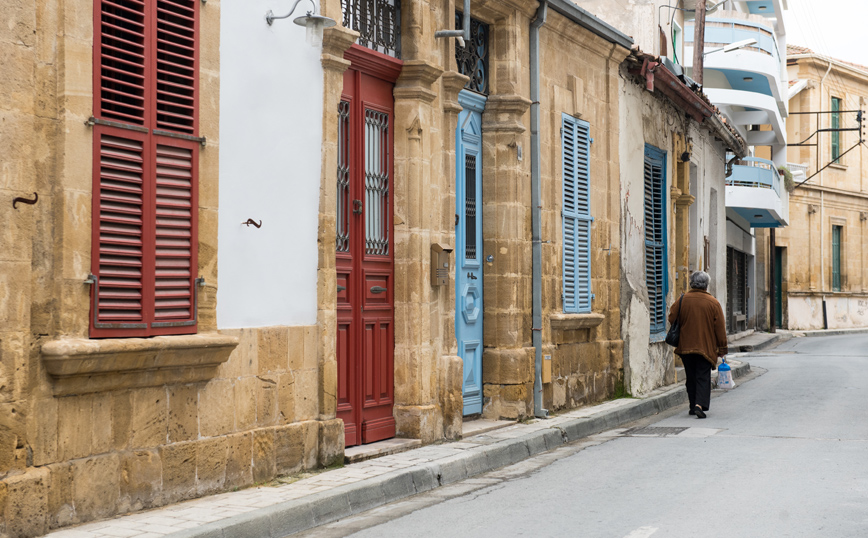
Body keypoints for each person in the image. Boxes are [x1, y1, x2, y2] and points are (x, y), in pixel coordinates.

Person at [668, 271, 728, 419]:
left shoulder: (682, 300)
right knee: (702, 376)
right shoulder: (713, 303)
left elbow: (671, 318)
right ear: (706, 285)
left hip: (686, 346)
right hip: (705, 348)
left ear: (691, 283)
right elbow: (720, 328)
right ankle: (699, 405)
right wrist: (722, 348)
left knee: (691, 376)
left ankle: (692, 405)